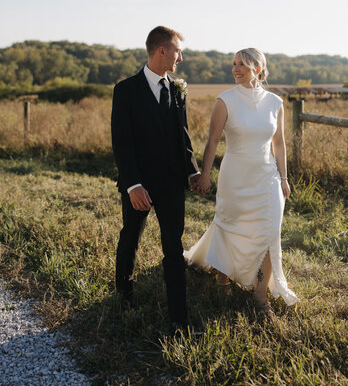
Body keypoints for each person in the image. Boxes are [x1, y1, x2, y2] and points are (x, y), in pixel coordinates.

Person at [185, 48, 299, 309]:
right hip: (235, 174)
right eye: (234, 64)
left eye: (242, 65)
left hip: (267, 175)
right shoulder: (225, 100)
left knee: (271, 231)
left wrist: (284, 177)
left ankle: (260, 294)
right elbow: (212, 140)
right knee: (229, 225)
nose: (235, 69)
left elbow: (279, 144)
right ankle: (222, 280)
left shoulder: (275, 103)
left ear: (258, 69)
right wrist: (205, 175)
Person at [111, 26, 207, 334]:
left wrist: (192, 171)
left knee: (173, 247)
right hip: (139, 185)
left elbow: (183, 135)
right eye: (178, 50)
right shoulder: (126, 90)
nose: (181, 56)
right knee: (131, 238)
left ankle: (179, 318)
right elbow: (121, 143)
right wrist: (132, 184)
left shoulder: (178, 88)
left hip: (171, 184)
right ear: (161, 51)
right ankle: (123, 296)